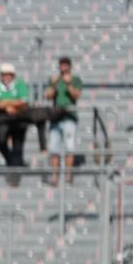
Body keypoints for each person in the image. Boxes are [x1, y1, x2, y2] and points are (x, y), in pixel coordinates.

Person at [45, 56, 82, 186]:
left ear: (70, 66)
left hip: (69, 118)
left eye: (66, 65)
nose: (64, 67)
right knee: (54, 148)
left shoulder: (75, 80)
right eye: (62, 65)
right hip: (56, 118)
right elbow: (48, 96)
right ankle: (54, 176)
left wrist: (68, 84)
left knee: (69, 148)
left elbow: (76, 95)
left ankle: (68, 175)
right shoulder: (54, 80)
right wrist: (54, 84)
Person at [0, 63, 29, 171]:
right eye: (4, 74)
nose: (7, 77)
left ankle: (16, 170)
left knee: (17, 145)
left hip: (18, 119)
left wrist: (5, 103)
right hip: (3, 119)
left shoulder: (19, 83)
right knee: (0, 142)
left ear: (13, 75)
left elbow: (24, 100)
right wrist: (7, 106)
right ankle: (12, 163)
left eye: (9, 74)